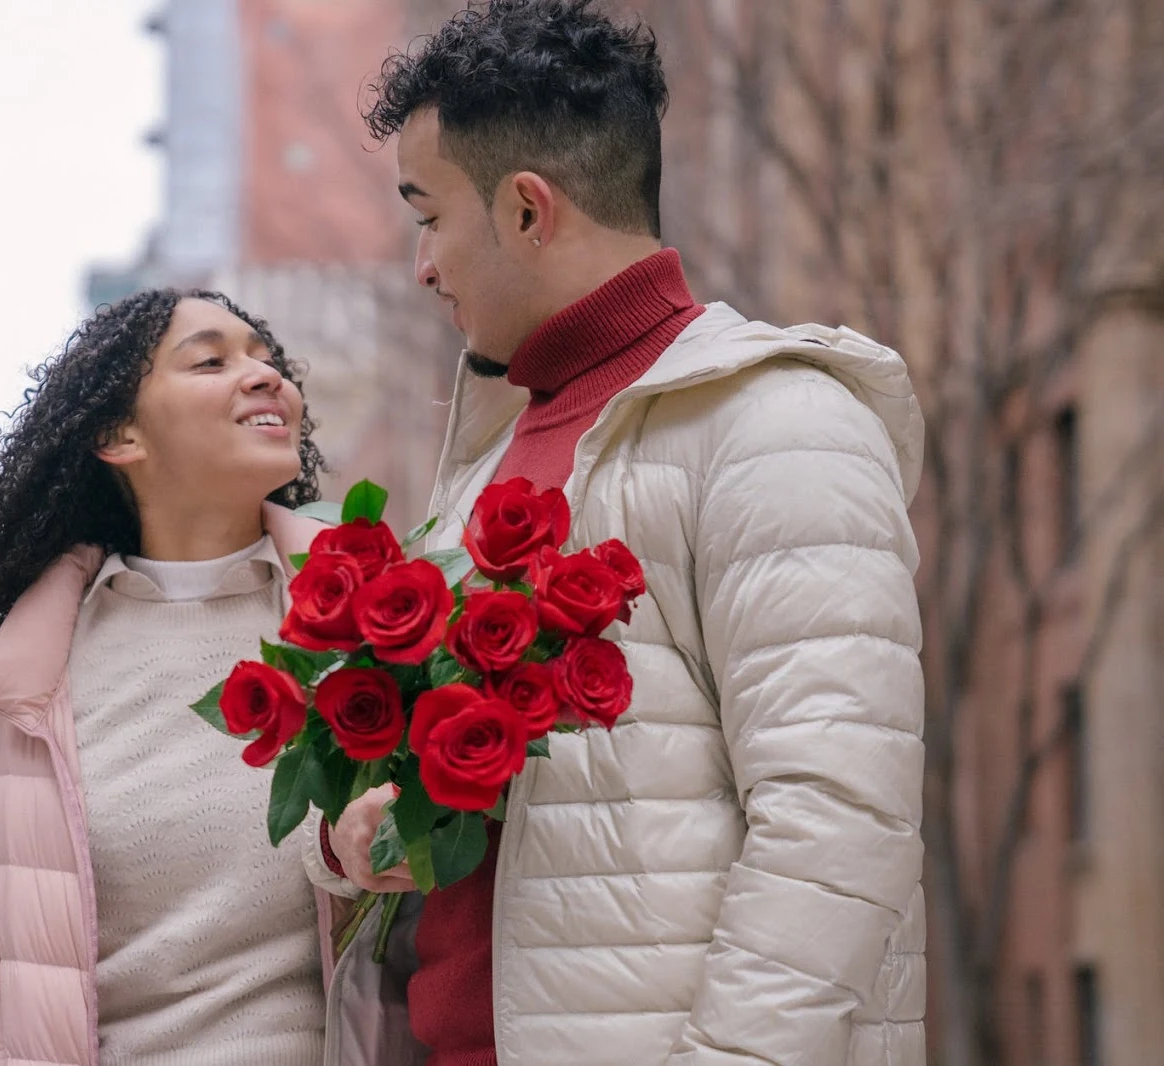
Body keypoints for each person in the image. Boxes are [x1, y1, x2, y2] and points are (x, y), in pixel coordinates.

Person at [314, 3, 927, 1064]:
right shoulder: (495, 456)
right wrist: (372, 828)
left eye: (427, 215)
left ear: (525, 210)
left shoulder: (776, 426)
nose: (423, 264)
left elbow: (837, 822)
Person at [0, 289, 335, 1066]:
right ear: (119, 436)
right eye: (212, 360)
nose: (265, 377)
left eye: (269, 362)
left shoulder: (371, 614)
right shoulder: (17, 684)